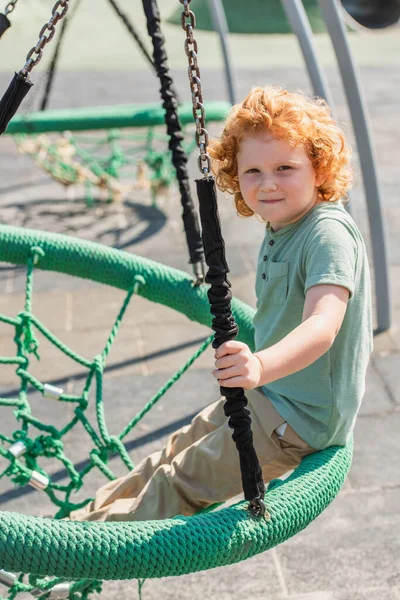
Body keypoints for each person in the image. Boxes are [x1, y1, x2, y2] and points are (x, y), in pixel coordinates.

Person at [68, 86, 373, 523]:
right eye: (253, 171)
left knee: (179, 482)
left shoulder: (327, 232)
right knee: (168, 455)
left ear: (320, 170)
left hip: (299, 420)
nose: (267, 183)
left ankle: (77, 556)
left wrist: (260, 366)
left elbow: (323, 325)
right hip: (271, 396)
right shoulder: (284, 223)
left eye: (285, 168)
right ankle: (80, 524)